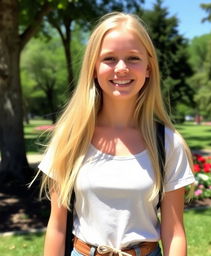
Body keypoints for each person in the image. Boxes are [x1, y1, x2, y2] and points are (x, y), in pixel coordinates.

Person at [38, 12, 195, 256]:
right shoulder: (70, 139)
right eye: (109, 58)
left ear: (148, 68)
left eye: (133, 58)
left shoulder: (167, 144)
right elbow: (57, 227)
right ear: (93, 68)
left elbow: (174, 231)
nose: (121, 68)